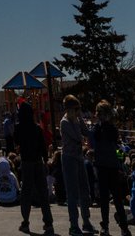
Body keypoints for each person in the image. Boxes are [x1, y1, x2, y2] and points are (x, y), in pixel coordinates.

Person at [89, 101, 131, 236]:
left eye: (100, 113)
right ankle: (118, 227)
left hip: (106, 165)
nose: (99, 116)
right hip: (108, 165)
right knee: (112, 198)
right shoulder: (105, 128)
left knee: (110, 198)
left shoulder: (104, 129)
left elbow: (96, 142)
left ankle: (114, 226)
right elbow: (115, 147)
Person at [14, 100, 55, 235]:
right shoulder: (37, 128)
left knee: (26, 193)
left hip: (26, 162)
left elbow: (16, 142)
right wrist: (45, 160)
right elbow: (43, 146)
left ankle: (25, 222)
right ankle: (48, 223)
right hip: (38, 160)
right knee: (43, 192)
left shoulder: (19, 127)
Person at [59, 96, 94, 236]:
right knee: (72, 193)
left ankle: (86, 221)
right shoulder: (65, 122)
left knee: (85, 190)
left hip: (79, 157)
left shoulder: (78, 119)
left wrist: (83, 121)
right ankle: (74, 225)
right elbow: (78, 137)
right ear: (69, 109)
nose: (78, 112)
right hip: (69, 158)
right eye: (76, 109)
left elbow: (87, 133)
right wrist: (76, 121)